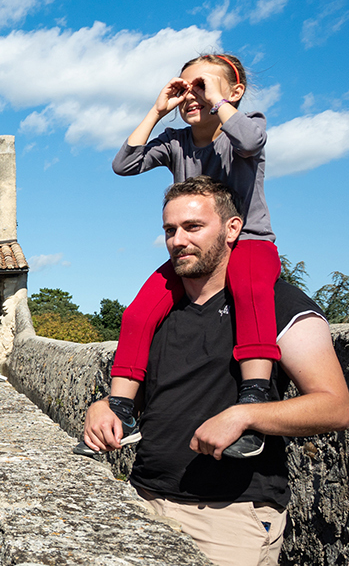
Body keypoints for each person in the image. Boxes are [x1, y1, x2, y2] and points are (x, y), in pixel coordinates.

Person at [79, 178, 349, 566]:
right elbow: (146, 397)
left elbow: (335, 407)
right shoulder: (158, 312)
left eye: (193, 227)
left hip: (231, 518)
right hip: (146, 501)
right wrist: (103, 406)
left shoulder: (278, 302)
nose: (178, 241)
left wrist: (247, 414)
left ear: (232, 229)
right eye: (170, 230)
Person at [104, 53, 277, 458]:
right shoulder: (175, 142)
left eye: (202, 85)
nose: (191, 96)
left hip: (248, 242)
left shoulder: (247, 128)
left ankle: (254, 399)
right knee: (138, 313)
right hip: (193, 253)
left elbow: (250, 143)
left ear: (234, 92)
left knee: (250, 291)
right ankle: (122, 408)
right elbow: (123, 165)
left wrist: (218, 102)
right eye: (185, 88)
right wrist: (158, 109)